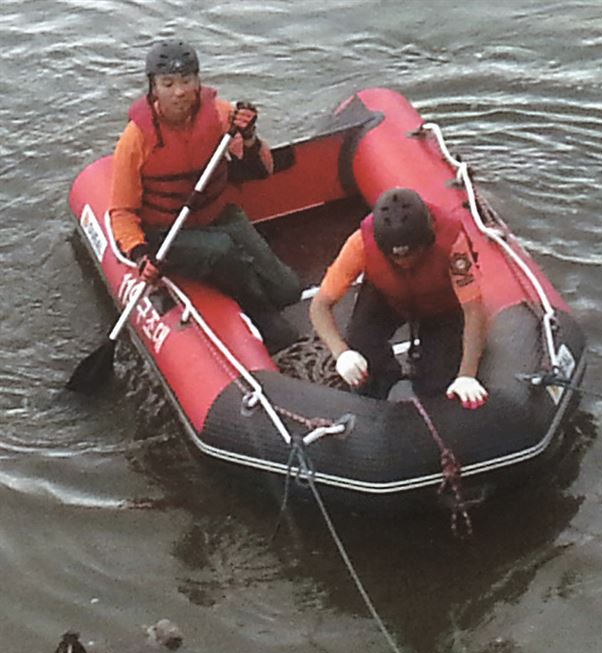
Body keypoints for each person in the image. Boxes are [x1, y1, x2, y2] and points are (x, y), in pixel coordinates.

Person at [109, 39, 301, 353]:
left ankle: (252, 290)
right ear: (153, 89)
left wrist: (249, 137)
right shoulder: (135, 140)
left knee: (288, 289)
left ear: (198, 82)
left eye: (186, 81)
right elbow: (122, 213)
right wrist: (140, 254)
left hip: (218, 215)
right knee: (222, 250)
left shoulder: (220, 114)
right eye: (168, 84)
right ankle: (261, 315)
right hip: (167, 233)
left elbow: (261, 169)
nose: (179, 92)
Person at [310, 187, 489, 407]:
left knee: (438, 382)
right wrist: (341, 353)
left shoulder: (452, 243)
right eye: (395, 257)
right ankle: (383, 380)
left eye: (411, 255)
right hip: (387, 297)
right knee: (361, 344)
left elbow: (473, 310)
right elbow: (319, 306)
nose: (404, 263)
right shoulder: (360, 243)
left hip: (441, 306)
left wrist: (467, 375)